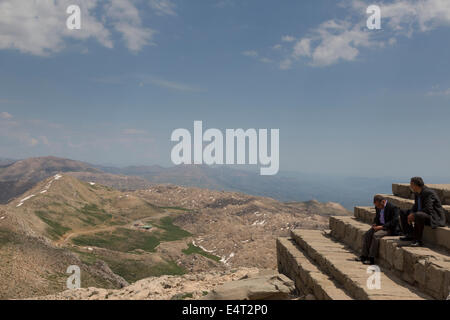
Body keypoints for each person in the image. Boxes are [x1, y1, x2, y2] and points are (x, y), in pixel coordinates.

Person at [399, 177, 446, 247]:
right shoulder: (417, 193)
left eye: (411, 184)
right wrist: (411, 213)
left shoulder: (428, 193)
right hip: (422, 214)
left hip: (434, 217)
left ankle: (418, 240)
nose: (410, 186)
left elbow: (428, 209)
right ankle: (409, 234)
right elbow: (415, 206)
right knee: (403, 212)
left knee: (418, 215)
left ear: (415, 185)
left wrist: (414, 215)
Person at [356, 195, 400, 265]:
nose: (378, 207)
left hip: (389, 228)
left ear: (383, 201)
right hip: (379, 226)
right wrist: (375, 223)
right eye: (377, 206)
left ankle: (371, 258)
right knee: (367, 234)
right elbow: (377, 217)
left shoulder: (393, 208)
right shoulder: (377, 207)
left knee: (376, 236)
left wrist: (382, 227)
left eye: (379, 205)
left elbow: (394, 221)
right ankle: (364, 256)